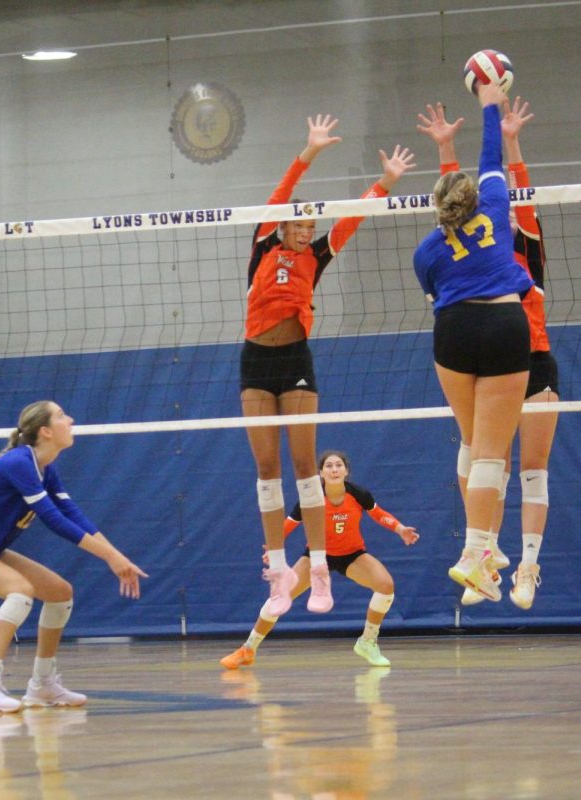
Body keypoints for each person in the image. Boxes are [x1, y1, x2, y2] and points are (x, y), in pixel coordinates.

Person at [243, 113, 415, 620]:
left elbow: (350, 221)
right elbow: (280, 191)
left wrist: (384, 183)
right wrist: (310, 150)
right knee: (266, 468)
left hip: (295, 359)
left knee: (304, 467)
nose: (306, 232)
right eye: (299, 224)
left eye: (310, 227)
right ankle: (279, 570)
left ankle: (318, 569)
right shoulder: (261, 244)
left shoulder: (316, 255)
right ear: (284, 225)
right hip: (255, 359)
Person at [417, 97, 558, 610]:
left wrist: (511, 139)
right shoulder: (492, 223)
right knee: (483, 450)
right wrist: (462, 140)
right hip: (506, 338)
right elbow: (472, 191)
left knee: (522, 463)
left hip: (528, 354)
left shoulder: (523, 238)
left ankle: (524, 566)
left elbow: (458, 200)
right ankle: (484, 549)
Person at [0, 400, 148, 713]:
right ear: (45, 431)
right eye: (62, 416)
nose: (71, 420)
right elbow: (54, 520)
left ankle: (43, 685)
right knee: (20, 591)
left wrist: (116, 556)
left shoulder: (45, 468)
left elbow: (72, 514)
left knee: (60, 594)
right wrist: (109, 558)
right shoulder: (18, 462)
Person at [220, 450, 419, 669]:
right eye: (329, 466)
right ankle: (248, 649)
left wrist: (401, 529)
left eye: (338, 465)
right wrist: (273, 548)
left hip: (352, 555)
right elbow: (288, 524)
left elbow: (379, 513)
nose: (334, 470)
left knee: (386, 585)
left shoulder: (358, 494)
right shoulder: (311, 499)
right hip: (316, 556)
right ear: (320, 473)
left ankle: (367, 642)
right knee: (280, 595)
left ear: (346, 471)